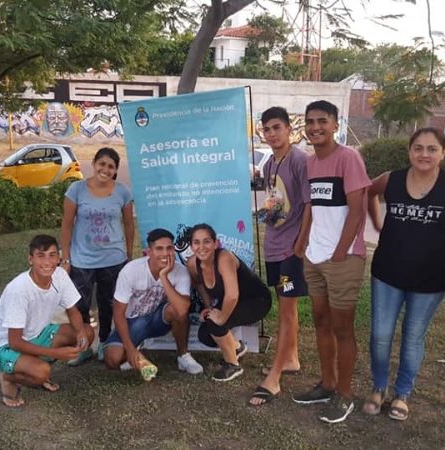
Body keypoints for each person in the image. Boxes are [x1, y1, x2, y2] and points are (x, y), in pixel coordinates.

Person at [363, 128, 445, 420]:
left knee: (413, 336)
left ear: (443, 153)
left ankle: (402, 394)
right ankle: (378, 387)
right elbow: (368, 191)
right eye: (418, 148)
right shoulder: (391, 179)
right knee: (381, 334)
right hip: (387, 272)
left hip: (432, 278)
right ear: (409, 151)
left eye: (432, 149)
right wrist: (376, 220)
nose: (424, 154)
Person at [292, 100, 371, 424]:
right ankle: (326, 383)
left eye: (322, 121)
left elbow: (357, 209)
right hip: (314, 256)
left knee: (342, 328)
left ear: (335, 124)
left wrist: (341, 250)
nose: (315, 127)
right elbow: (312, 207)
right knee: (321, 322)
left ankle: (345, 393)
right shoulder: (310, 163)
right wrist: (302, 242)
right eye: (310, 122)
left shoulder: (348, 158)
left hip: (343, 258)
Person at [0, 234, 95, 408]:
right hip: (4, 347)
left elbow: (72, 310)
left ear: (59, 258)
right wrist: (58, 354)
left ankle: (34, 367)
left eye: (52, 255)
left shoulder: (59, 275)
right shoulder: (19, 290)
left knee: (87, 331)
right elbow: (14, 342)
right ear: (30, 259)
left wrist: (81, 334)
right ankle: (8, 378)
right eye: (40, 256)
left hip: (37, 334)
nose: (47, 262)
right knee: (42, 372)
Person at [249, 107, 311, 406]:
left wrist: (300, 247)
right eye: (267, 129)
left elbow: (310, 206)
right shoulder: (271, 161)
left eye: (277, 128)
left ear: (289, 129)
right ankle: (292, 359)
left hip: (290, 251)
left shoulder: (300, 160)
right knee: (287, 309)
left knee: (287, 312)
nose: (272, 134)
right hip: (274, 245)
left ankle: (273, 377)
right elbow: (276, 202)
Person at [61, 147, 135, 363]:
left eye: (111, 166)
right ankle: (83, 346)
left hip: (114, 259)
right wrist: (66, 258)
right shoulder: (76, 189)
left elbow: (129, 225)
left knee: (109, 304)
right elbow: (66, 224)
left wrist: (128, 255)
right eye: (102, 164)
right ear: (93, 164)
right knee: (79, 305)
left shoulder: (123, 192)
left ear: (115, 171)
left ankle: (104, 342)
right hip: (81, 259)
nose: (105, 169)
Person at [102, 228, 203, 377]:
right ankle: (136, 353)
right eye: (159, 249)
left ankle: (183, 356)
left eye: (169, 248)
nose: (165, 253)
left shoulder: (180, 270)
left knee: (176, 310)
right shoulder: (131, 270)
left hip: (157, 319)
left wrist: (163, 276)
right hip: (132, 322)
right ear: (149, 252)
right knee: (112, 359)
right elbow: (118, 314)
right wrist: (130, 350)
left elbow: (182, 310)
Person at [187, 224, 272, 382]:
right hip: (234, 300)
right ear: (191, 246)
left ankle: (233, 364)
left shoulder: (224, 257)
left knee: (216, 323)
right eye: (196, 242)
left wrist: (220, 318)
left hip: (257, 300)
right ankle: (237, 347)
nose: (201, 247)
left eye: (206, 241)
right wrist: (209, 308)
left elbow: (232, 295)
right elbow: (198, 284)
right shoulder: (192, 264)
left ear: (215, 243)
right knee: (205, 334)